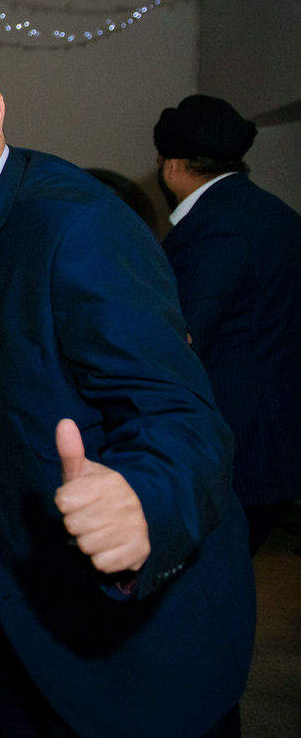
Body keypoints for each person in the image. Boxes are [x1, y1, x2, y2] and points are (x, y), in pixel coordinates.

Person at [0, 18, 254, 737]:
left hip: (130, 638)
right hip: (6, 605)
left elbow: (182, 414)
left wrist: (146, 501)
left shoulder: (74, 228)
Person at [154, 94, 301, 554]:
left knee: (209, 589)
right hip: (276, 430)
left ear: (172, 165)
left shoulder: (215, 223)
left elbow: (182, 336)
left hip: (239, 441)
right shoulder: (272, 212)